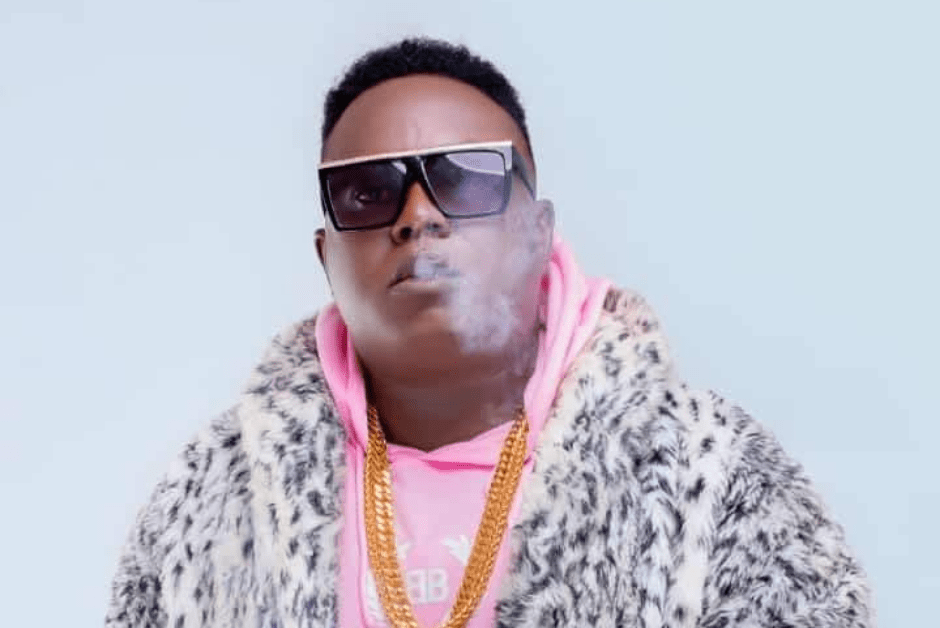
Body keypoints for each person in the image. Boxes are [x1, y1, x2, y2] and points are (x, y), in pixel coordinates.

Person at [105, 38, 875, 628]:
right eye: (368, 192)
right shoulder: (213, 494)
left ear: (539, 231)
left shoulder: (711, 472)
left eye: (465, 178)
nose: (418, 217)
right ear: (326, 255)